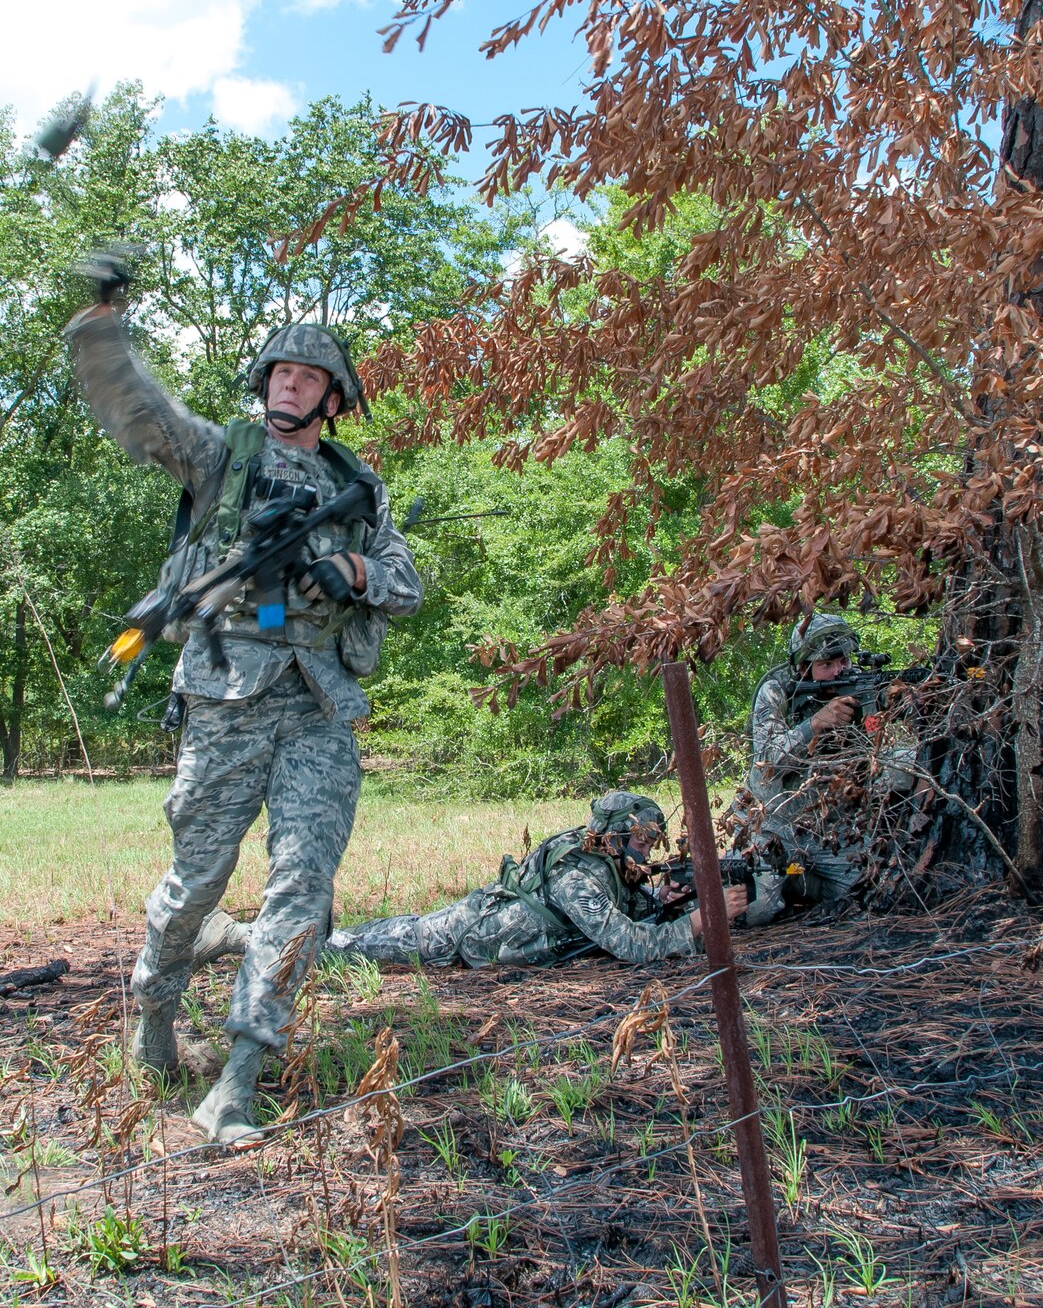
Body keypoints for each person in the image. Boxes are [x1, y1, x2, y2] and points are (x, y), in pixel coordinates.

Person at [65, 264, 420, 1146]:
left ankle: (238, 1077)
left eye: (307, 377)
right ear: (263, 382)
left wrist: (358, 571)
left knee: (303, 889)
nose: (289, 386)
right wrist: (101, 325)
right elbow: (137, 408)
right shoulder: (219, 454)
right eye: (279, 373)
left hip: (320, 705)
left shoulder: (358, 486)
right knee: (199, 883)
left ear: (332, 396)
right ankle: (153, 1010)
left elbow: (409, 584)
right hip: (225, 695)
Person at [187, 791, 748, 971]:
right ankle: (244, 939)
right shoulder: (583, 872)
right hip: (477, 932)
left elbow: (625, 907)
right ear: (616, 834)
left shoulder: (599, 855)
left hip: (490, 922)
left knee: (377, 936)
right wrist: (700, 921)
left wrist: (659, 900)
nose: (645, 852)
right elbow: (628, 946)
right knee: (365, 947)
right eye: (643, 841)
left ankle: (259, 935)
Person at [739, 613, 877, 913]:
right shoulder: (777, 692)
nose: (838, 672)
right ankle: (788, 881)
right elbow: (768, 762)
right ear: (803, 667)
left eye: (843, 662)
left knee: (861, 890)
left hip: (826, 831)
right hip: (775, 826)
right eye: (826, 665)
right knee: (759, 910)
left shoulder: (858, 692)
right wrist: (813, 725)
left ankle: (801, 883)